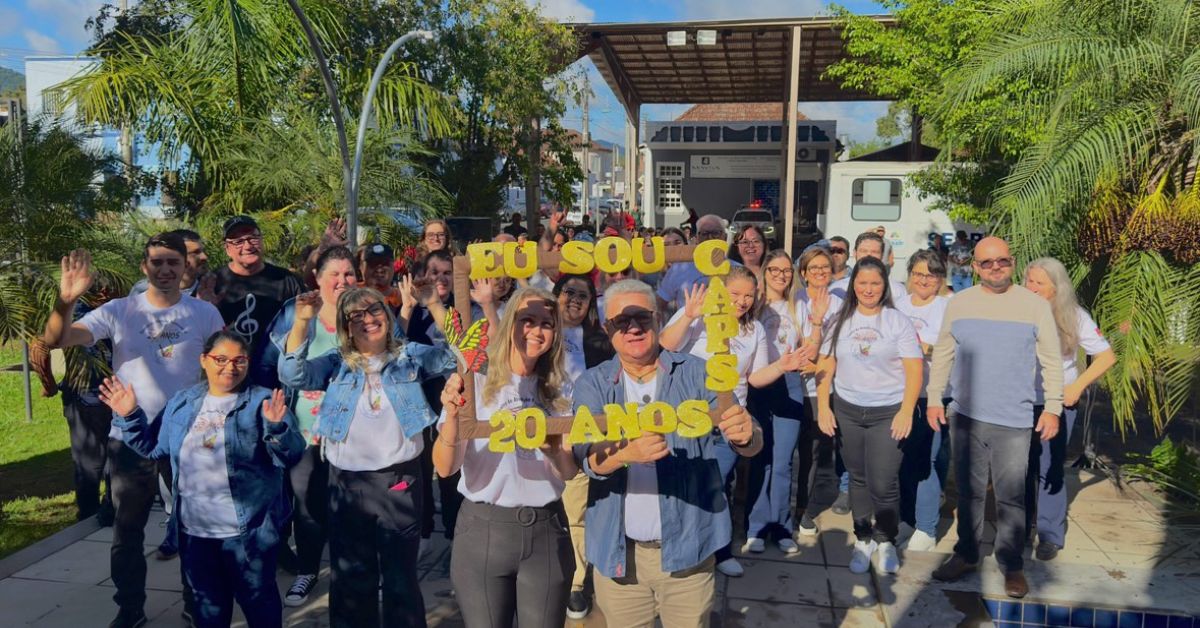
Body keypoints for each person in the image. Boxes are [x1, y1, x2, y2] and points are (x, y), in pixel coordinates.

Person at [42, 235, 226, 628]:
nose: (165, 269)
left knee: (194, 530)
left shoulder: (205, 314)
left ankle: (196, 604)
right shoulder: (119, 311)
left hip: (188, 440)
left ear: (184, 268)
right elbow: (56, 339)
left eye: (173, 262)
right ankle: (130, 609)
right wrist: (66, 299)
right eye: (157, 262)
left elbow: (222, 367)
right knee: (127, 532)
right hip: (130, 438)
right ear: (145, 267)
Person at [572, 279, 761, 627]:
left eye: (641, 317)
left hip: (690, 552)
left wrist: (746, 433)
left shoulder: (698, 373)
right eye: (620, 322)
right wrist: (624, 452)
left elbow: (746, 435)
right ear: (606, 328)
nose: (632, 328)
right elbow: (585, 457)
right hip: (619, 558)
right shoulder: (592, 383)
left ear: (659, 317)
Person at [279, 286, 456, 627]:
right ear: (346, 326)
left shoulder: (409, 355)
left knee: (399, 580)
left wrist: (433, 303)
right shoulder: (336, 363)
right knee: (350, 579)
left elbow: (459, 354)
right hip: (345, 483)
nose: (366, 320)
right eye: (354, 316)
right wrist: (302, 322)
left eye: (373, 310)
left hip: (399, 481)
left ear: (387, 315)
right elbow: (292, 374)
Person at [101, 331, 304, 628]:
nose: (230, 367)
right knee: (208, 612)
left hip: (248, 536)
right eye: (220, 359)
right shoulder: (184, 401)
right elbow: (155, 447)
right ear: (204, 360)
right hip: (195, 534)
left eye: (239, 360)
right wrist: (130, 415)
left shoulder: (263, 402)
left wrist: (277, 429)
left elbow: (291, 456)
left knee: (260, 607)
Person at [434, 287, 579, 628]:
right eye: (526, 320)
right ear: (509, 322)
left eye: (547, 323)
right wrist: (452, 416)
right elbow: (444, 467)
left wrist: (554, 450)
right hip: (484, 529)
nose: (536, 330)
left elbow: (569, 471)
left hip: (547, 528)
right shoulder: (475, 379)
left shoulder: (561, 387)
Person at [927, 237, 1063, 599]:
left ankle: (1012, 565)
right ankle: (967, 554)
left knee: (1011, 497)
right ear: (975, 267)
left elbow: (1051, 359)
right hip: (967, 416)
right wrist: (933, 399)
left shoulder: (1033, 305)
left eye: (1001, 261)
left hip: (1015, 420)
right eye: (986, 263)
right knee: (969, 493)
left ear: (1012, 263)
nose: (995, 268)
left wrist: (1052, 407)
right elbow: (942, 353)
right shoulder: (959, 303)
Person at [660, 265, 804, 577]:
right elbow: (665, 346)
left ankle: (720, 550)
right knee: (687, 481)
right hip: (686, 415)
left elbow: (755, 376)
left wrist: (783, 365)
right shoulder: (697, 316)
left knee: (718, 481)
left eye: (748, 296)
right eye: (735, 293)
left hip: (729, 416)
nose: (741, 301)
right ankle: (683, 545)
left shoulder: (754, 330)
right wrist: (687, 315)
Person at [262, 246, 357, 606]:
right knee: (307, 507)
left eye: (348, 273)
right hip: (305, 431)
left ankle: (353, 570)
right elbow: (271, 362)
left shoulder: (367, 310)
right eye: (334, 274)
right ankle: (307, 570)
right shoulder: (295, 312)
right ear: (317, 277)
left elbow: (394, 353)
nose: (342, 281)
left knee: (351, 506)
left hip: (354, 433)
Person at [815, 257, 922, 574]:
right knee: (857, 478)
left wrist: (906, 410)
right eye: (862, 283)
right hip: (848, 409)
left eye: (875, 283)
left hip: (887, 411)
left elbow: (914, 370)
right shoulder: (839, 320)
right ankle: (863, 538)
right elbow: (826, 364)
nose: (868, 289)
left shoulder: (896, 321)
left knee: (884, 479)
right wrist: (824, 406)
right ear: (853, 286)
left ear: (885, 286)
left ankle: (885, 539)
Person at [1023, 257, 1116, 561]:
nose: (1032, 287)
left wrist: (1077, 387)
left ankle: (1050, 534)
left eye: (1039, 282)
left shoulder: (1074, 316)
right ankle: (1020, 527)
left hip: (1057, 403)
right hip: (1021, 402)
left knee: (1050, 468)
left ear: (1056, 286)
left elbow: (1105, 356)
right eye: (1029, 281)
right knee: (1020, 467)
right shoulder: (1017, 311)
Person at [744, 250, 822, 555]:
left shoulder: (800, 304)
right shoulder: (756, 304)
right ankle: (756, 528)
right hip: (759, 385)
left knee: (783, 462)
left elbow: (811, 351)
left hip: (789, 386)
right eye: (775, 270)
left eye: (787, 270)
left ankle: (781, 526)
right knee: (759, 458)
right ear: (765, 271)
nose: (781, 275)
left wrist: (816, 325)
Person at [551, 274, 615, 619]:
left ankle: (575, 584)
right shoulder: (536, 330)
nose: (574, 300)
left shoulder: (598, 341)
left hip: (578, 436)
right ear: (555, 295)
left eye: (583, 295)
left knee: (575, 513)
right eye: (568, 292)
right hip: (534, 437)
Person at [30, 288, 117, 525]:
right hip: (92, 400)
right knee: (95, 463)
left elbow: (38, 349)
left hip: (103, 400)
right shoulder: (87, 313)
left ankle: (99, 515)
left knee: (98, 463)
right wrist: (49, 385)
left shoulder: (116, 311)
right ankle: (93, 515)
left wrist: (49, 385)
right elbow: (39, 346)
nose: (109, 292)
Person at [895, 250, 953, 552]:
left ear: (940, 278)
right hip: (902, 396)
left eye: (930, 275)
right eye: (918, 274)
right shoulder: (898, 305)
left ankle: (926, 528)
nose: (923, 280)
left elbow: (952, 348)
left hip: (934, 396)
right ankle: (906, 518)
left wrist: (924, 348)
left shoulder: (948, 307)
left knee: (928, 461)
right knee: (904, 461)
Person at [208, 216, 306, 388]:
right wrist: (206, 307)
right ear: (227, 248)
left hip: (277, 378)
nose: (247, 245)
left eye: (252, 238)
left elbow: (307, 321)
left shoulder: (286, 279)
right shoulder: (212, 282)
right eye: (238, 241)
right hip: (229, 377)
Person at [794, 247, 848, 528]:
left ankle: (805, 511)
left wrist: (820, 365)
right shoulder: (795, 301)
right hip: (793, 386)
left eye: (824, 267)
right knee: (789, 453)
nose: (819, 272)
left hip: (821, 388)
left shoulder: (841, 303)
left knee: (813, 454)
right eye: (813, 268)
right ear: (803, 273)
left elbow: (840, 349)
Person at [655, 214, 733, 313]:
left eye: (716, 233)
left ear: (725, 237)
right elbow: (659, 304)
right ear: (697, 239)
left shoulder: (738, 270)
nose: (710, 237)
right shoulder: (677, 269)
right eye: (704, 233)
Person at [131, 229, 210, 297]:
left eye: (203, 251)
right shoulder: (143, 289)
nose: (204, 257)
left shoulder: (212, 288)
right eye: (196, 252)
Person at [831, 232, 907, 299]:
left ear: (882, 255)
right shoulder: (837, 288)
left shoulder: (897, 291)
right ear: (854, 253)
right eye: (864, 251)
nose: (869, 255)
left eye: (874, 252)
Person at [359, 243, 401, 310]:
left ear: (393, 266)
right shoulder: (350, 293)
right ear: (361, 267)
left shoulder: (404, 298)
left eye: (385, 263)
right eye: (373, 263)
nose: (379, 269)